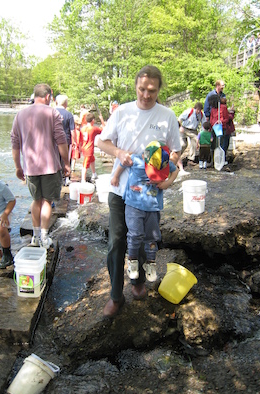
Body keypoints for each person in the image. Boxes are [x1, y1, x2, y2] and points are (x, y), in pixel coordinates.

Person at [97, 65, 181, 318]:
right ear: (135, 86)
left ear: (158, 90)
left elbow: (175, 151)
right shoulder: (122, 112)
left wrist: (167, 178)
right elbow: (101, 141)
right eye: (142, 89)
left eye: (152, 91)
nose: (146, 95)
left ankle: (138, 282)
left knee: (146, 239)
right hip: (121, 190)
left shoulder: (167, 116)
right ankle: (115, 295)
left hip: (149, 192)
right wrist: (119, 153)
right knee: (117, 241)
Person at [11, 83, 71, 249]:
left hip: (30, 167)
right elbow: (61, 140)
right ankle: (44, 237)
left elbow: (15, 143)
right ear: (48, 97)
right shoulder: (52, 113)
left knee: (36, 200)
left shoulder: (20, 115)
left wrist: (18, 166)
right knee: (46, 201)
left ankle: (35, 237)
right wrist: (66, 163)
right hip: (50, 166)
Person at [111, 141, 178, 282]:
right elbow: (122, 163)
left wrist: (167, 182)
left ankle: (151, 263)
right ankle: (132, 261)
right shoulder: (136, 159)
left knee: (153, 236)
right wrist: (116, 176)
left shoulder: (164, 161)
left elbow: (175, 170)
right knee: (135, 234)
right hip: (134, 205)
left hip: (153, 207)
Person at [177, 102, 206, 168]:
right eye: (197, 109)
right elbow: (180, 119)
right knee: (183, 144)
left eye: (200, 110)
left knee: (195, 143)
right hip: (184, 129)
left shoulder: (201, 114)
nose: (198, 111)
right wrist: (180, 127)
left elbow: (203, 123)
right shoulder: (189, 111)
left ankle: (191, 159)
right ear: (195, 108)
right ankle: (176, 157)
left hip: (193, 130)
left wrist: (202, 132)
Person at [55, 94, 75, 184]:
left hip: (53, 141)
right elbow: (72, 131)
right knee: (66, 160)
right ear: (65, 103)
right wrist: (74, 142)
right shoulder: (68, 114)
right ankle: (66, 179)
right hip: (66, 140)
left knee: (55, 159)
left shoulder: (51, 112)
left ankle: (56, 179)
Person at [80, 112, 105, 183]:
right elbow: (103, 130)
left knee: (92, 159)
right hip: (89, 149)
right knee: (86, 164)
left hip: (84, 147)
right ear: (93, 120)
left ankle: (94, 174)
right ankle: (83, 180)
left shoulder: (83, 128)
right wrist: (102, 120)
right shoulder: (93, 129)